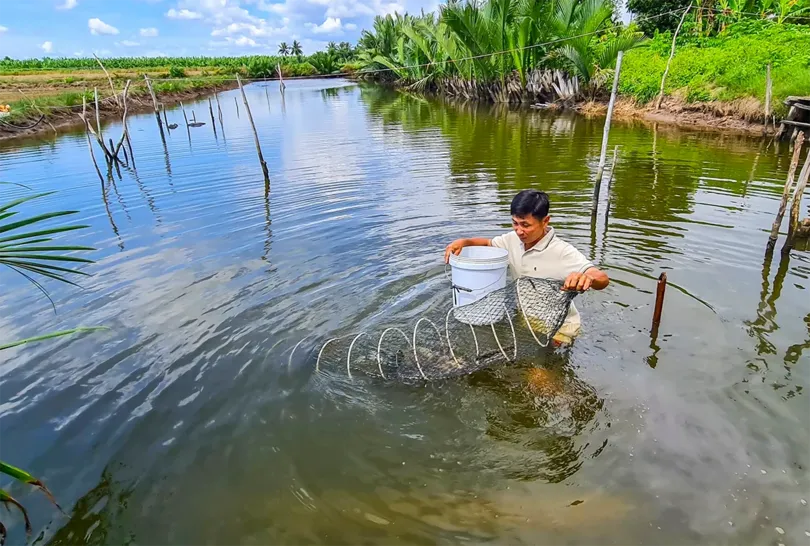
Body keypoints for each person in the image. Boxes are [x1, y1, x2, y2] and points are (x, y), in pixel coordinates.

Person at [444, 189, 609, 345]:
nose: (519, 231)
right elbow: (488, 243)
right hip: (526, 320)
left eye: (525, 225)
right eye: (515, 223)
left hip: (560, 329)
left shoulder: (562, 252)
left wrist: (586, 278)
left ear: (545, 221)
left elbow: (601, 278)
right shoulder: (512, 240)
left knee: (537, 373)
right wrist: (465, 242)